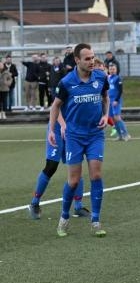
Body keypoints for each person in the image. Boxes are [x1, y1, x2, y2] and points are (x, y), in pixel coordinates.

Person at [49, 43, 110, 237]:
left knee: (96, 176)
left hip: (95, 135)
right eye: (87, 58)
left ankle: (96, 221)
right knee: (74, 181)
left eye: (93, 57)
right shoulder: (67, 82)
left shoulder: (101, 77)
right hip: (74, 136)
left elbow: (106, 97)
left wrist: (105, 115)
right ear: (77, 60)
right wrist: (53, 130)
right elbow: (55, 106)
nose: (91, 61)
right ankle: (64, 217)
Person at [28, 114, 90, 220]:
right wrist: (63, 125)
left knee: (76, 166)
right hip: (57, 128)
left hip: (73, 128)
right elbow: (56, 107)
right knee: (51, 166)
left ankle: (78, 207)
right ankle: (34, 203)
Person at [107, 63, 130, 141]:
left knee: (117, 117)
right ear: (108, 70)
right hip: (109, 101)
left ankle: (126, 134)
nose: (112, 71)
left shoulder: (118, 78)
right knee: (113, 118)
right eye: (110, 69)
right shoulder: (108, 78)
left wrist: (116, 100)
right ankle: (120, 135)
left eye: (113, 69)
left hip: (115, 100)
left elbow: (120, 91)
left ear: (116, 70)